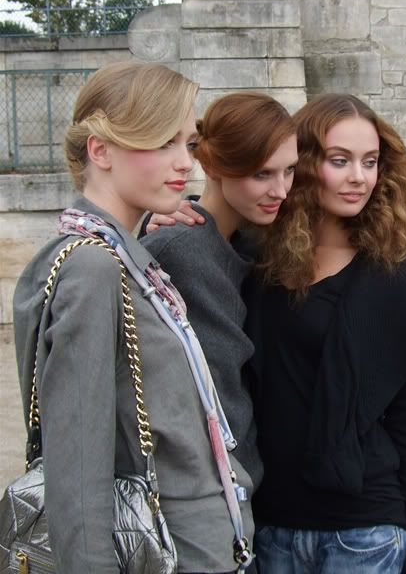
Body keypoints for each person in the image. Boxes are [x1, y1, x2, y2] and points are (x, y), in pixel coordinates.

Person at [13, 60, 255, 574]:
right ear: (100, 150)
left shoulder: (122, 256)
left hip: (193, 537)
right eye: (162, 141)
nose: (183, 163)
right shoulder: (93, 268)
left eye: (187, 143)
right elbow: (77, 466)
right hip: (170, 547)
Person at [242, 93, 406, 574]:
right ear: (304, 163)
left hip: (364, 532)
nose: (359, 176)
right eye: (340, 161)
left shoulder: (392, 277)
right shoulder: (255, 261)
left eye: (371, 162)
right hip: (269, 527)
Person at [140, 91, 298, 504]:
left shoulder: (248, 243)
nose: (281, 190)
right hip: (207, 498)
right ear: (210, 165)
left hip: (241, 491)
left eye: (289, 171)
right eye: (262, 174)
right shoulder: (178, 250)